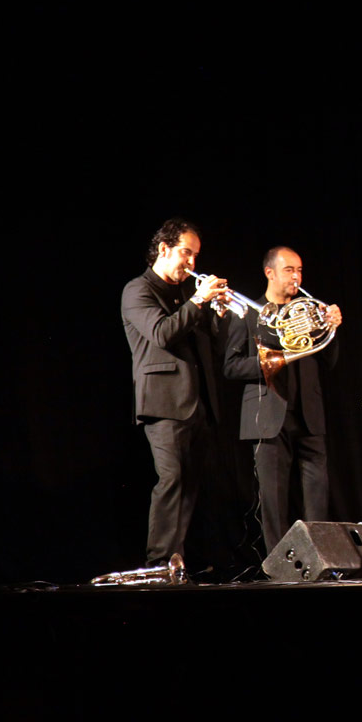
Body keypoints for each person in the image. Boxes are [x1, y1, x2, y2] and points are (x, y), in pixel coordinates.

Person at [121, 218, 232, 566]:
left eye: (196, 256)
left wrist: (218, 314)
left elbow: (212, 346)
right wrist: (199, 302)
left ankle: (175, 560)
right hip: (164, 403)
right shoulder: (137, 290)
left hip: (197, 403)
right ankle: (158, 561)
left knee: (189, 487)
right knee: (172, 481)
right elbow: (163, 334)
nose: (192, 263)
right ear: (164, 249)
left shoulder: (186, 295)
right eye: (186, 253)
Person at [222, 246, 343, 553]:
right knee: (273, 503)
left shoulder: (309, 312)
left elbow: (329, 362)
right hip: (267, 416)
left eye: (300, 270)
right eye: (290, 270)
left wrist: (332, 328)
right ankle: (278, 569)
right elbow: (231, 367)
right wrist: (274, 360)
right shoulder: (248, 314)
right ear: (270, 273)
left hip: (309, 415)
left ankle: (322, 562)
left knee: (317, 501)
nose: (296, 277)